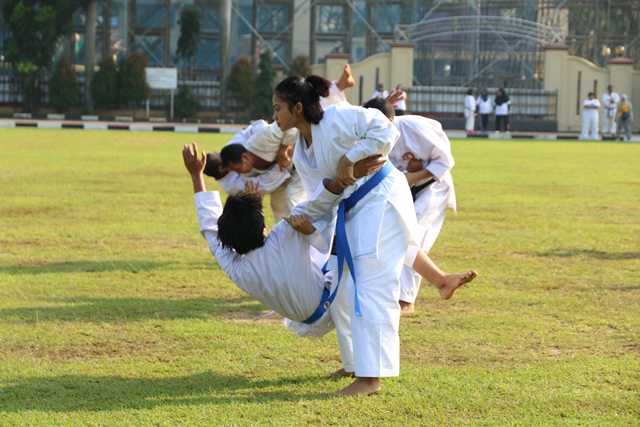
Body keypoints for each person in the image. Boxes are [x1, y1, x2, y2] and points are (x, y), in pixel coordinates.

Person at [183, 141, 478, 339]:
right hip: (333, 301)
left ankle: (439, 279)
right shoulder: (283, 234)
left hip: (308, 323)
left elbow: (209, 228)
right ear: (263, 228)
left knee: (360, 230)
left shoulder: (234, 265)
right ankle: (438, 279)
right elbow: (323, 198)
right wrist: (354, 171)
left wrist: (198, 176)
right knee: (376, 230)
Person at [272, 75, 424, 397]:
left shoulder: (338, 117)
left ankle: (371, 379)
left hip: (381, 197)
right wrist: (302, 221)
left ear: (297, 108)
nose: (275, 116)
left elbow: (387, 129)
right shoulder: (301, 152)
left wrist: (350, 158)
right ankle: (356, 363)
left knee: (368, 283)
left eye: (278, 108)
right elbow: (323, 196)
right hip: (353, 209)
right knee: (341, 288)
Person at [363, 97, 456, 315]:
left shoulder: (415, 128)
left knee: (414, 235)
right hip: (400, 189)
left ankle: (406, 300)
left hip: (433, 186)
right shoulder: (367, 134)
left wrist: (413, 176)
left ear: (390, 121)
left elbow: (445, 161)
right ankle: (389, 292)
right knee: (391, 235)